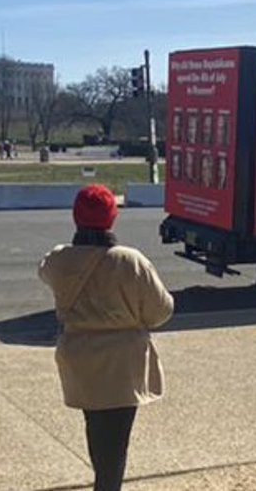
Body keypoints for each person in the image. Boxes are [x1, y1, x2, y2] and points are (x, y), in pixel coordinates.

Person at [39, 185, 174, 491]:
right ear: (112, 218)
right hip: (123, 363)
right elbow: (162, 310)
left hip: (81, 358)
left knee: (96, 429)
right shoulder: (130, 260)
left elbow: (45, 270)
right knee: (117, 439)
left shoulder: (60, 260)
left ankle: (105, 482)